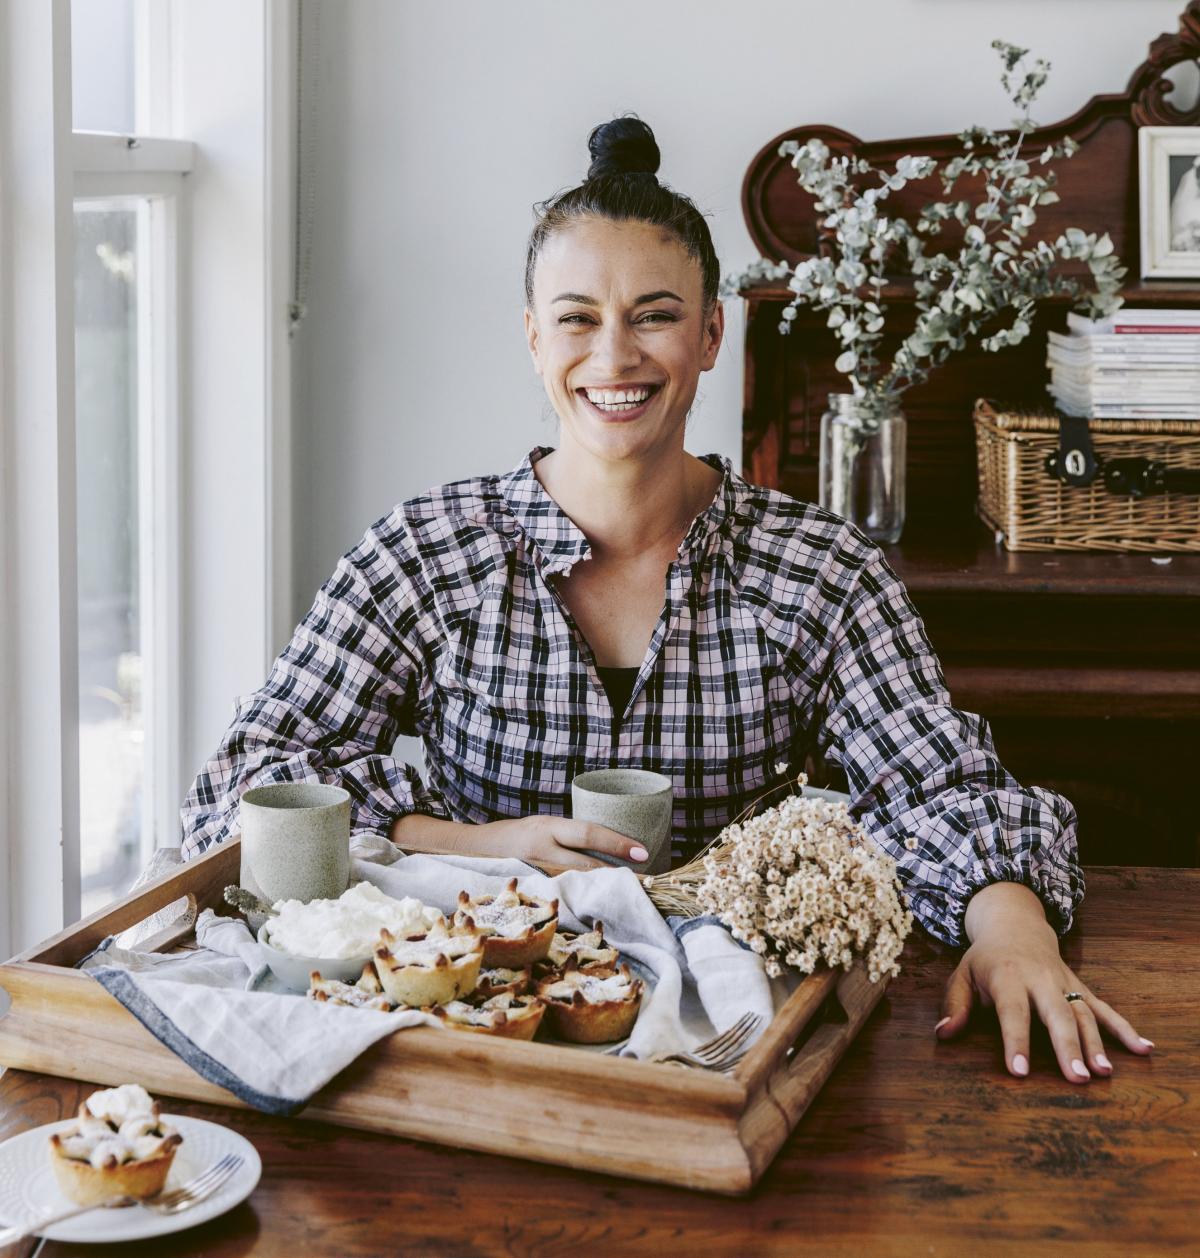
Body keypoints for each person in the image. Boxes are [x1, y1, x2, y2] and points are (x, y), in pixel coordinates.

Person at [181, 115, 1152, 1084]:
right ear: (532, 338)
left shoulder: (820, 569)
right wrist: (466, 840)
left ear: (711, 332)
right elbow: (246, 777)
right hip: (469, 1041)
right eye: (576, 317)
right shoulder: (429, 549)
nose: (614, 357)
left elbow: (945, 789)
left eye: (653, 313)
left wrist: (1017, 933)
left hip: (736, 1053)